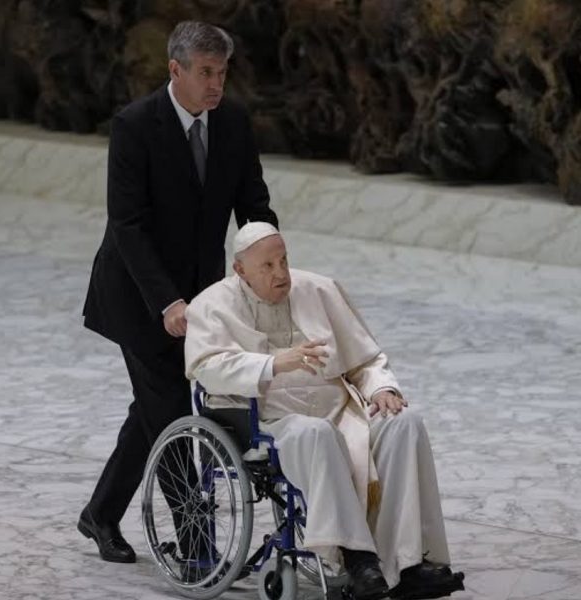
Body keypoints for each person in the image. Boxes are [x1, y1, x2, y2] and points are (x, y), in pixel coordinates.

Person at [79, 22, 277, 563]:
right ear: (176, 70)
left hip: (202, 293)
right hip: (137, 296)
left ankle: (99, 514)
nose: (216, 84)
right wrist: (167, 302)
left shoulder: (233, 122)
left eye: (222, 72)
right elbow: (128, 225)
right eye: (206, 73)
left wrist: (269, 266)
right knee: (168, 411)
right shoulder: (135, 126)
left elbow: (254, 204)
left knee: (152, 406)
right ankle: (198, 550)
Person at [184, 222, 465, 600]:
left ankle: (409, 561)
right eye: (267, 266)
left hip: (341, 410)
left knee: (404, 422)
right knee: (314, 433)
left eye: (283, 260)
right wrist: (273, 364)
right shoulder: (212, 305)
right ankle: (358, 560)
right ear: (240, 270)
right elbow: (208, 368)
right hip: (271, 421)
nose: (281, 273)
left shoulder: (318, 289)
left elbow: (365, 358)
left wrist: (381, 387)